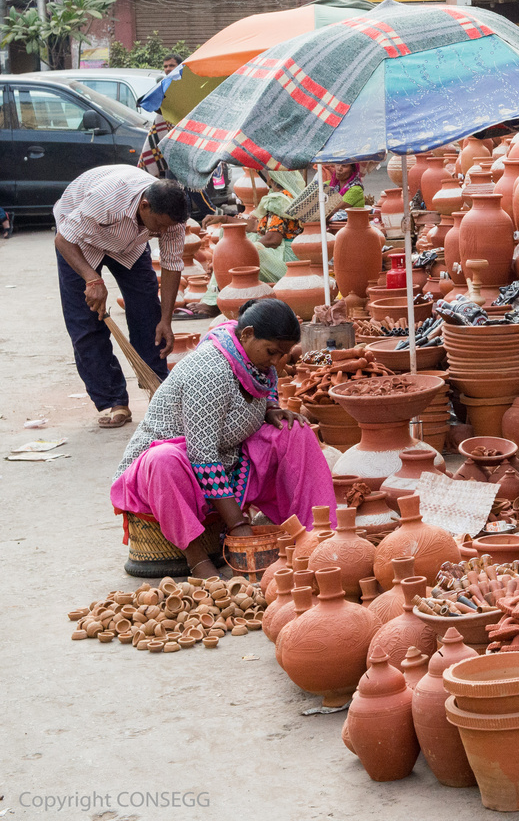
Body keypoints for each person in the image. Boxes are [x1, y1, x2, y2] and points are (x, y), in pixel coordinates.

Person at [110, 299, 336, 579]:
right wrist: (239, 526)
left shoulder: (255, 359)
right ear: (247, 334)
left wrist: (271, 409)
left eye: (283, 355)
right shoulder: (209, 370)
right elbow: (202, 456)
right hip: (174, 469)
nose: (277, 362)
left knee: (296, 432)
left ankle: (318, 536)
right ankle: (196, 559)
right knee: (163, 460)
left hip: (229, 454)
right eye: (272, 352)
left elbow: (264, 389)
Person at [54, 166, 187, 429]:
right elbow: (63, 239)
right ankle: (112, 399)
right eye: (159, 226)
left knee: (149, 314)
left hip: (129, 246)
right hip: (78, 241)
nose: (162, 233)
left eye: (167, 228)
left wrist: (166, 319)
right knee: (85, 324)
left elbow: (172, 264)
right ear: (145, 206)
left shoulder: (170, 221)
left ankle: (157, 390)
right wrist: (92, 279)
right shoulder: (107, 198)